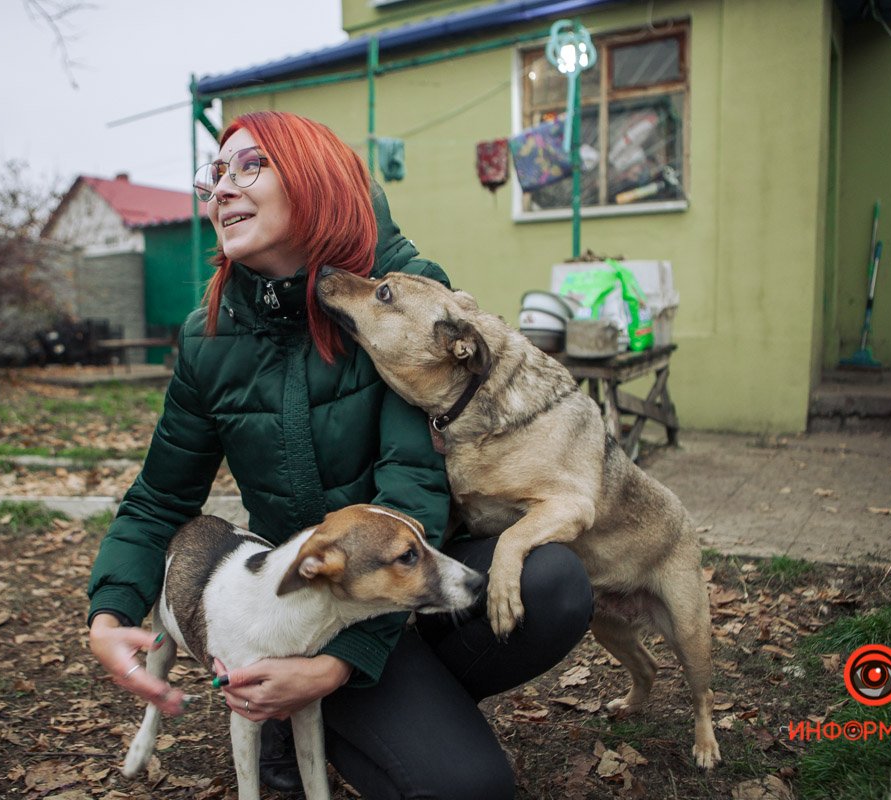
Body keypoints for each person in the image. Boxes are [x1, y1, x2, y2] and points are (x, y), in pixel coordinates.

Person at [86, 110, 593, 799]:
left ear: (314, 179)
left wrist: (341, 665)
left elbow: (411, 482)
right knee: (466, 789)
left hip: (410, 571)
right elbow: (160, 499)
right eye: (217, 173)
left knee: (553, 582)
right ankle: (359, 716)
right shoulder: (209, 338)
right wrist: (110, 613)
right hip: (312, 603)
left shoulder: (395, 301)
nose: (222, 188)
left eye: (251, 166)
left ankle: (376, 705)